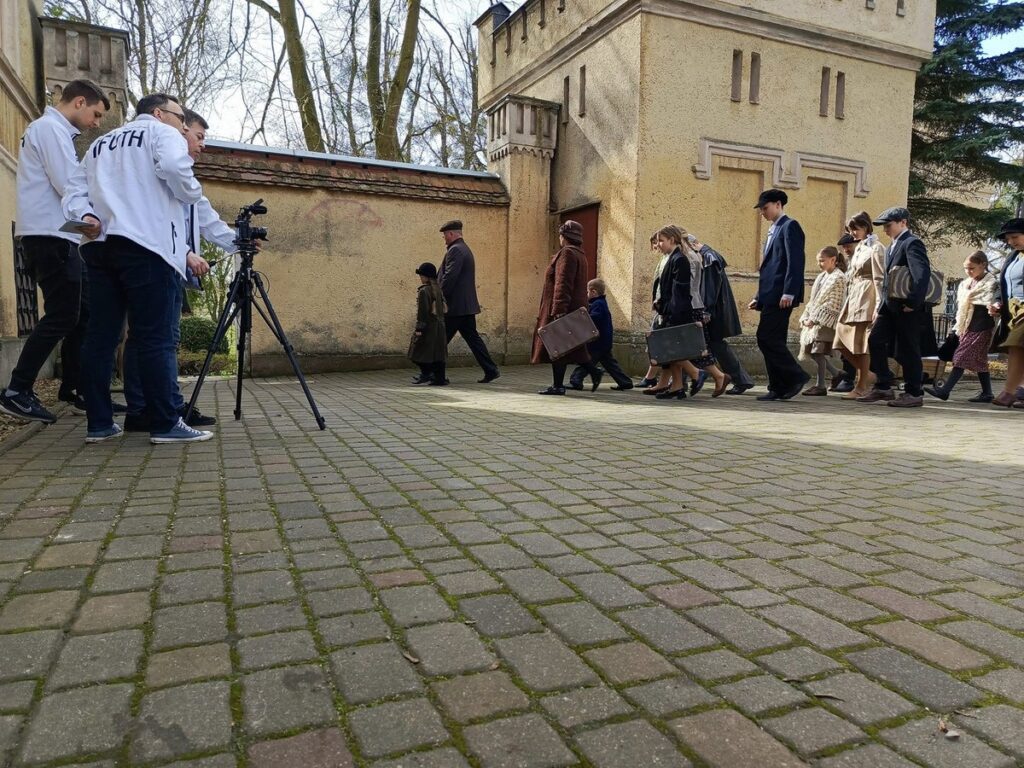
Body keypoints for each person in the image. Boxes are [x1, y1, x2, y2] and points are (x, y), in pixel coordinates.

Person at [62, 93, 213, 443]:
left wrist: (84, 216)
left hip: (100, 246)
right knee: (155, 337)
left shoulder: (100, 144)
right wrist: (189, 192)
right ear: (159, 113)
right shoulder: (163, 134)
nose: (182, 123)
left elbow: (74, 190)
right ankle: (165, 423)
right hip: (147, 245)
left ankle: (99, 423)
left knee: (101, 337)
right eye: (179, 116)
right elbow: (177, 169)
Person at [0, 80, 109, 424]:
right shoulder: (49, 129)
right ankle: (17, 390)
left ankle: (75, 390)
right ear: (79, 102)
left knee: (84, 313)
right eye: (95, 114)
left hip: (63, 237)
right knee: (64, 314)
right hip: (51, 236)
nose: (96, 122)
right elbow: (68, 185)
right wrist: (94, 218)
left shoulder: (54, 132)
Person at [122, 109, 233, 431]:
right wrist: (185, 253)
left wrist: (237, 242)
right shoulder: (156, 169)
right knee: (154, 339)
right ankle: (158, 411)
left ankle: (158, 407)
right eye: (197, 136)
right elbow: (152, 220)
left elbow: (206, 218)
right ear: (179, 132)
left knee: (153, 338)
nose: (201, 146)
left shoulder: (183, 177)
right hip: (155, 260)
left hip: (168, 262)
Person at [857, 207, 931, 408]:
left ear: (903, 222)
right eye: (884, 226)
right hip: (889, 307)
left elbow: (921, 274)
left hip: (907, 308)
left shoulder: (912, 243)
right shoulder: (892, 246)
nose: (886, 230)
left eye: (888, 225)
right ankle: (883, 386)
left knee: (908, 349)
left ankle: (914, 392)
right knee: (875, 340)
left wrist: (913, 302)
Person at [645, 226, 729, 400]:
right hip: (672, 309)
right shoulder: (672, 257)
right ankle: (676, 386)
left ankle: (699, 374)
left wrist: (671, 311)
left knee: (683, 349)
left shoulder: (684, 258)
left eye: (661, 241)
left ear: (673, 240)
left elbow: (683, 290)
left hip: (683, 309)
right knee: (677, 349)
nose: (658, 245)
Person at [531, 220, 602, 395]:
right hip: (573, 307)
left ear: (564, 236)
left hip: (564, 307)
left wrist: (559, 309)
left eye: (561, 235)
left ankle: (559, 385)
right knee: (568, 347)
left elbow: (563, 283)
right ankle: (592, 372)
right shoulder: (579, 254)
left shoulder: (567, 253)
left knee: (558, 346)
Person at [750, 189, 808, 401]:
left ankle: (796, 376)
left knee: (765, 338)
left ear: (777, 204)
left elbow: (795, 262)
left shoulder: (789, 226)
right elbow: (769, 267)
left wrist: (789, 292)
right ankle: (778, 386)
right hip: (770, 295)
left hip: (781, 296)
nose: (763, 213)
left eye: (765, 208)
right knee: (774, 340)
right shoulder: (773, 229)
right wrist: (759, 296)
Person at [925, 251, 997, 402]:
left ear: (983, 265)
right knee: (980, 361)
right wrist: (956, 328)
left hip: (982, 327)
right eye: (966, 268)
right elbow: (961, 308)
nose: (968, 271)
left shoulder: (992, 284)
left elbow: (995, 301)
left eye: (972, 268)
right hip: (965, 326)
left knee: (960, 357)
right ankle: (987, 393)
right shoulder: (965, 284)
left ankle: (945, 391)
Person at [688, 234, 755, 395]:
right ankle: (686, 379)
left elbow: (710, 288)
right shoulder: (708, 256)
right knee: (708, 344)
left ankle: (741, 379)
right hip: (713, 309)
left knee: (714, 345)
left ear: (693, 244)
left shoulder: (709, 257)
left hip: (713, 311)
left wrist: (706, 310)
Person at [437, 221, 500, 384]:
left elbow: (449, 277)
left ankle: (437, 375)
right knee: (473, 339)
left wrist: (439, 296)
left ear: (451, 234)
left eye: (445, 235)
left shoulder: (456, 250)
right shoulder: (464, 249)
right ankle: (491, 369)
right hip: (465, 306)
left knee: (439, 340)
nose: (444, 239)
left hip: (455, 307)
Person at [834, 212, 886, 399]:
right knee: (840, 338)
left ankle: (862, 384)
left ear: (866, 227)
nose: (853, 233)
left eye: (856, 228)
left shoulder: (876, 248)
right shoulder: (860, 248)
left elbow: (880, 277)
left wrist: (879, 303)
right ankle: (867, 374)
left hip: (868, 295)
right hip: (855, 295)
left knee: (862, 343)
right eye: (850, 229)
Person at [798, 246, 848, 396]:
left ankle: (821, 385)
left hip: (826, 320)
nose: (820, 264)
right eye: (818, 261)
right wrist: (807, 316)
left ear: (833, 260)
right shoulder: (822, 276)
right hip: (815, 318)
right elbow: (814, 300)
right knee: (813, 351)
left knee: (818, 351)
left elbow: (833, 302)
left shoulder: (838, 278)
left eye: (822, 261)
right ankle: (837, 373)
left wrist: (816, 319)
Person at [568, 278, 633, 391]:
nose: (587, 294)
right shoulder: (600, 303)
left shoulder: (598, 304)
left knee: (586, 360)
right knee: (610, 364)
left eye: (587, 292)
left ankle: (576, 380)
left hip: (598, 342)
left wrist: (584, 316)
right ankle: (625, 382)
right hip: (604, 341)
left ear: (593, 291)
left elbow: (595, 318)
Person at [990, 218, 1024, 408]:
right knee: (1015, 349)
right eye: (1008, 239)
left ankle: (1009, 392)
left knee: (1016, 346)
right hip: (1012, 312)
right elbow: (1002, 283)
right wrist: (997, 301)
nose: (1011, 242)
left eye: (1015, 237)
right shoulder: (1013, 257)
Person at [408, 262, 448, 386]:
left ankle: (426, 373)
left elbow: (423, 312)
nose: (420, 278)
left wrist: (419, 328)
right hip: (440, 327)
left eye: (421, 275)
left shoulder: (424, 291)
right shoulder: (438, 290)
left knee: (415, 352)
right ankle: (439, 378)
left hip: (429, 327)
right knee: (438, 354)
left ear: (426, 276)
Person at [637, 232, 667, 388]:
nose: (656, 247)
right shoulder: (664, 259)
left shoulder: (673, 259)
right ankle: (653, 378)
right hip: (660, 306)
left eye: (658, 242)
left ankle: (699, 374)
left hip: (665, 308)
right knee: (658, 342)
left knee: (659, 342)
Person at [831, 233, 859, 392]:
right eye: (844, 247)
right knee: (844, 345)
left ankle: (851, 378)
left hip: (858, 307)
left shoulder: (863, 258)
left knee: (855, 345)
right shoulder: (848, 262)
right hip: (847, 308)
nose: (846, 249)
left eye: (849, 246)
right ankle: (849, 377)